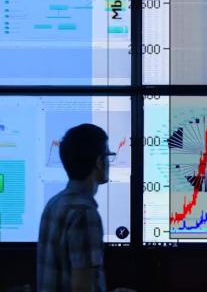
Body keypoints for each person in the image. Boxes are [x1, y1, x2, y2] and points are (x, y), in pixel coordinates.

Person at [37, 123, 135, 292]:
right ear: (99, 162)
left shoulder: (54, 203)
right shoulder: (84, 213)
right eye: (107, 155)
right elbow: (81, 287)